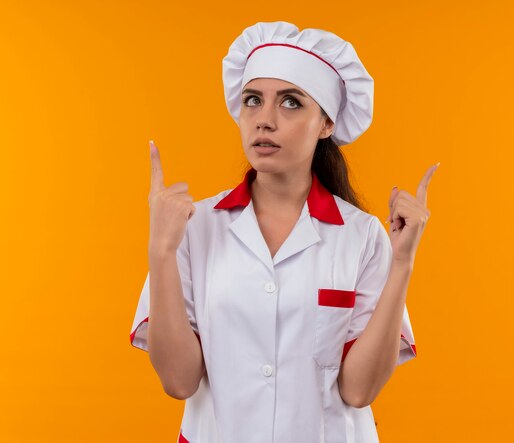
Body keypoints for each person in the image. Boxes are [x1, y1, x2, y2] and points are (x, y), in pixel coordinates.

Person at [130, 20, 439, 443]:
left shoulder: (362, 236)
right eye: (253, 100)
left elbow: (359, 390)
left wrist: (402, 262)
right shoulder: (191, 227)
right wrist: (160, 252)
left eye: (291, 103)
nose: (265, 120)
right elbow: (178, 382)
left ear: (326, 124)